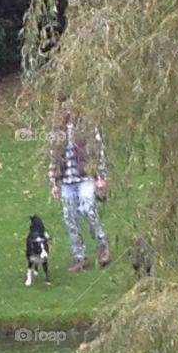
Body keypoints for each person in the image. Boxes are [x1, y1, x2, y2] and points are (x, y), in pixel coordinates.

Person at [49, 96, 110, 273]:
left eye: (69, 107)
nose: (67, 111)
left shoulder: (87, 127)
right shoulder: (58, 130)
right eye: (63, 108)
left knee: (88, 209)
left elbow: (99, 150)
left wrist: (101, 176)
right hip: (67, 181)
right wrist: (53, 182)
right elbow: (53, 156)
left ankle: (102, 245)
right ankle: (79, 257)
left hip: (85, 178)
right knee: (70, 219)